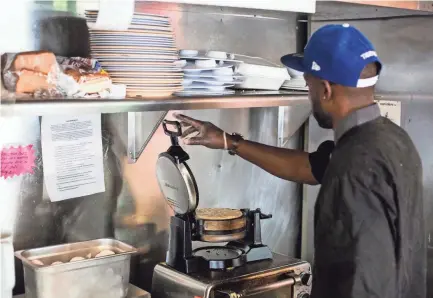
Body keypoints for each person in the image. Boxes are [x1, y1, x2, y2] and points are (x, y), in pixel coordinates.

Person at [174, 24, 426, 298]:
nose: (309, 95)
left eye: (309, 85)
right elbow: (307, 166)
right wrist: (228, 141)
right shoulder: (393, 140)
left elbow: (359, 281)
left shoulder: (352, 170)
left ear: (326, 89)